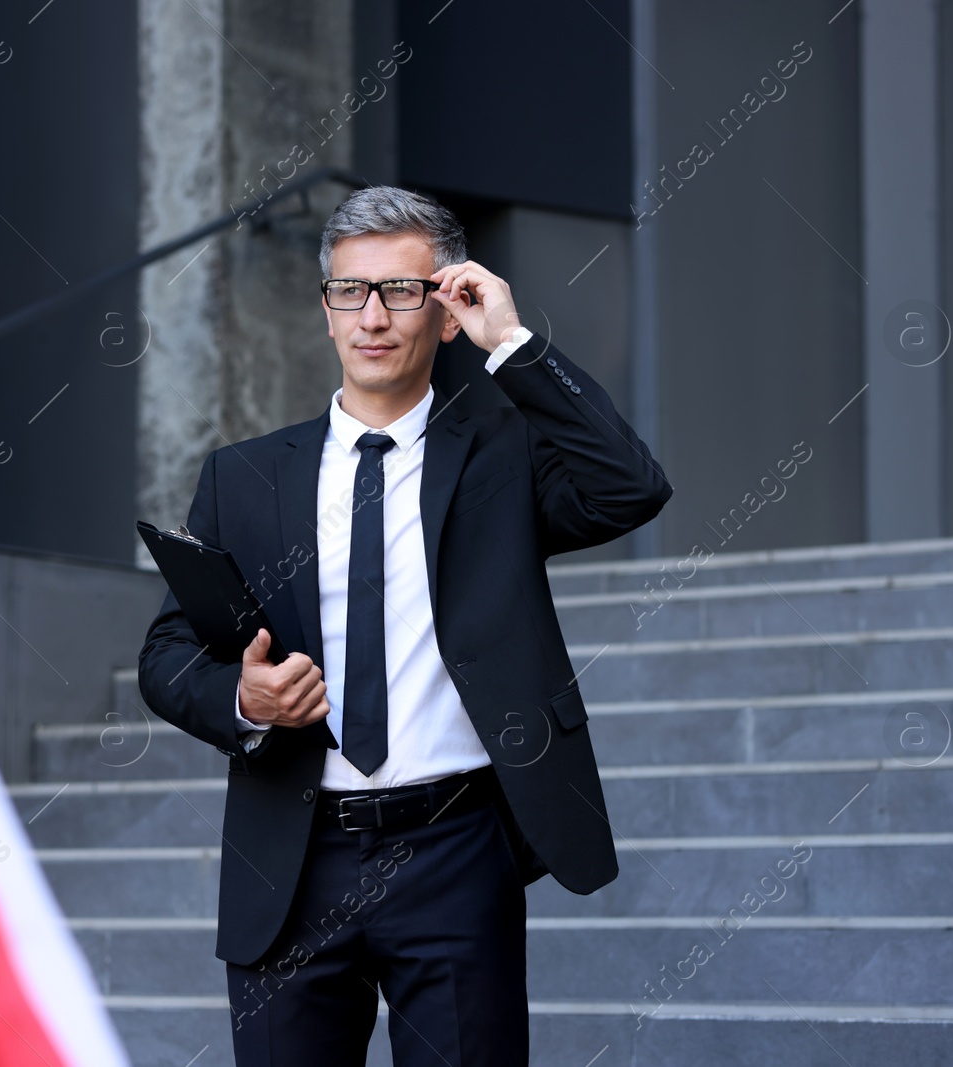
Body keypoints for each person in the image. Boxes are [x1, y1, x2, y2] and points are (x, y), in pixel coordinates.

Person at [137, 185, 671, 1066]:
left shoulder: (504, 456)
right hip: (294, 857)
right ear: (326, 308)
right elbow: (165, 654)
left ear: (446, 308)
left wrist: (512, 340)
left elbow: (630, 485)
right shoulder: (244, 478)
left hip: (456, 852)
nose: (374, 315)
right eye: (352, 290)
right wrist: (242, 694)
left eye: (402, 290)